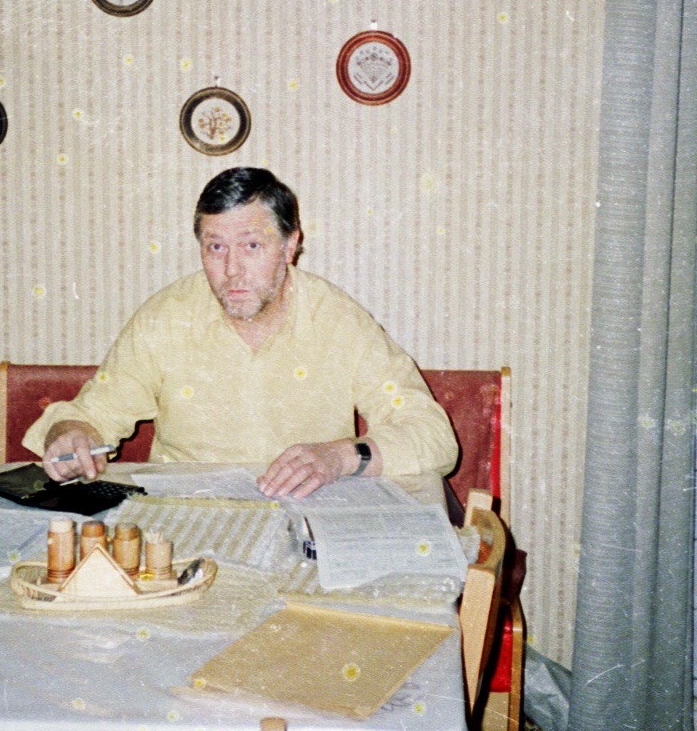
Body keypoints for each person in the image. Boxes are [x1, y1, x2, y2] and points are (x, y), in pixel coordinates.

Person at [25, 168, 458, 498]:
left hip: (305, 518)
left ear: (290, 247)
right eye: (216, 247)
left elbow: (433, 435)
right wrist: (71, 434)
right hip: (188, 522)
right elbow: (92, 414)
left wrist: (340, 456)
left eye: (252, 246)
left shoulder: (338, 319)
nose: (232, 270)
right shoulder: (166, 317)